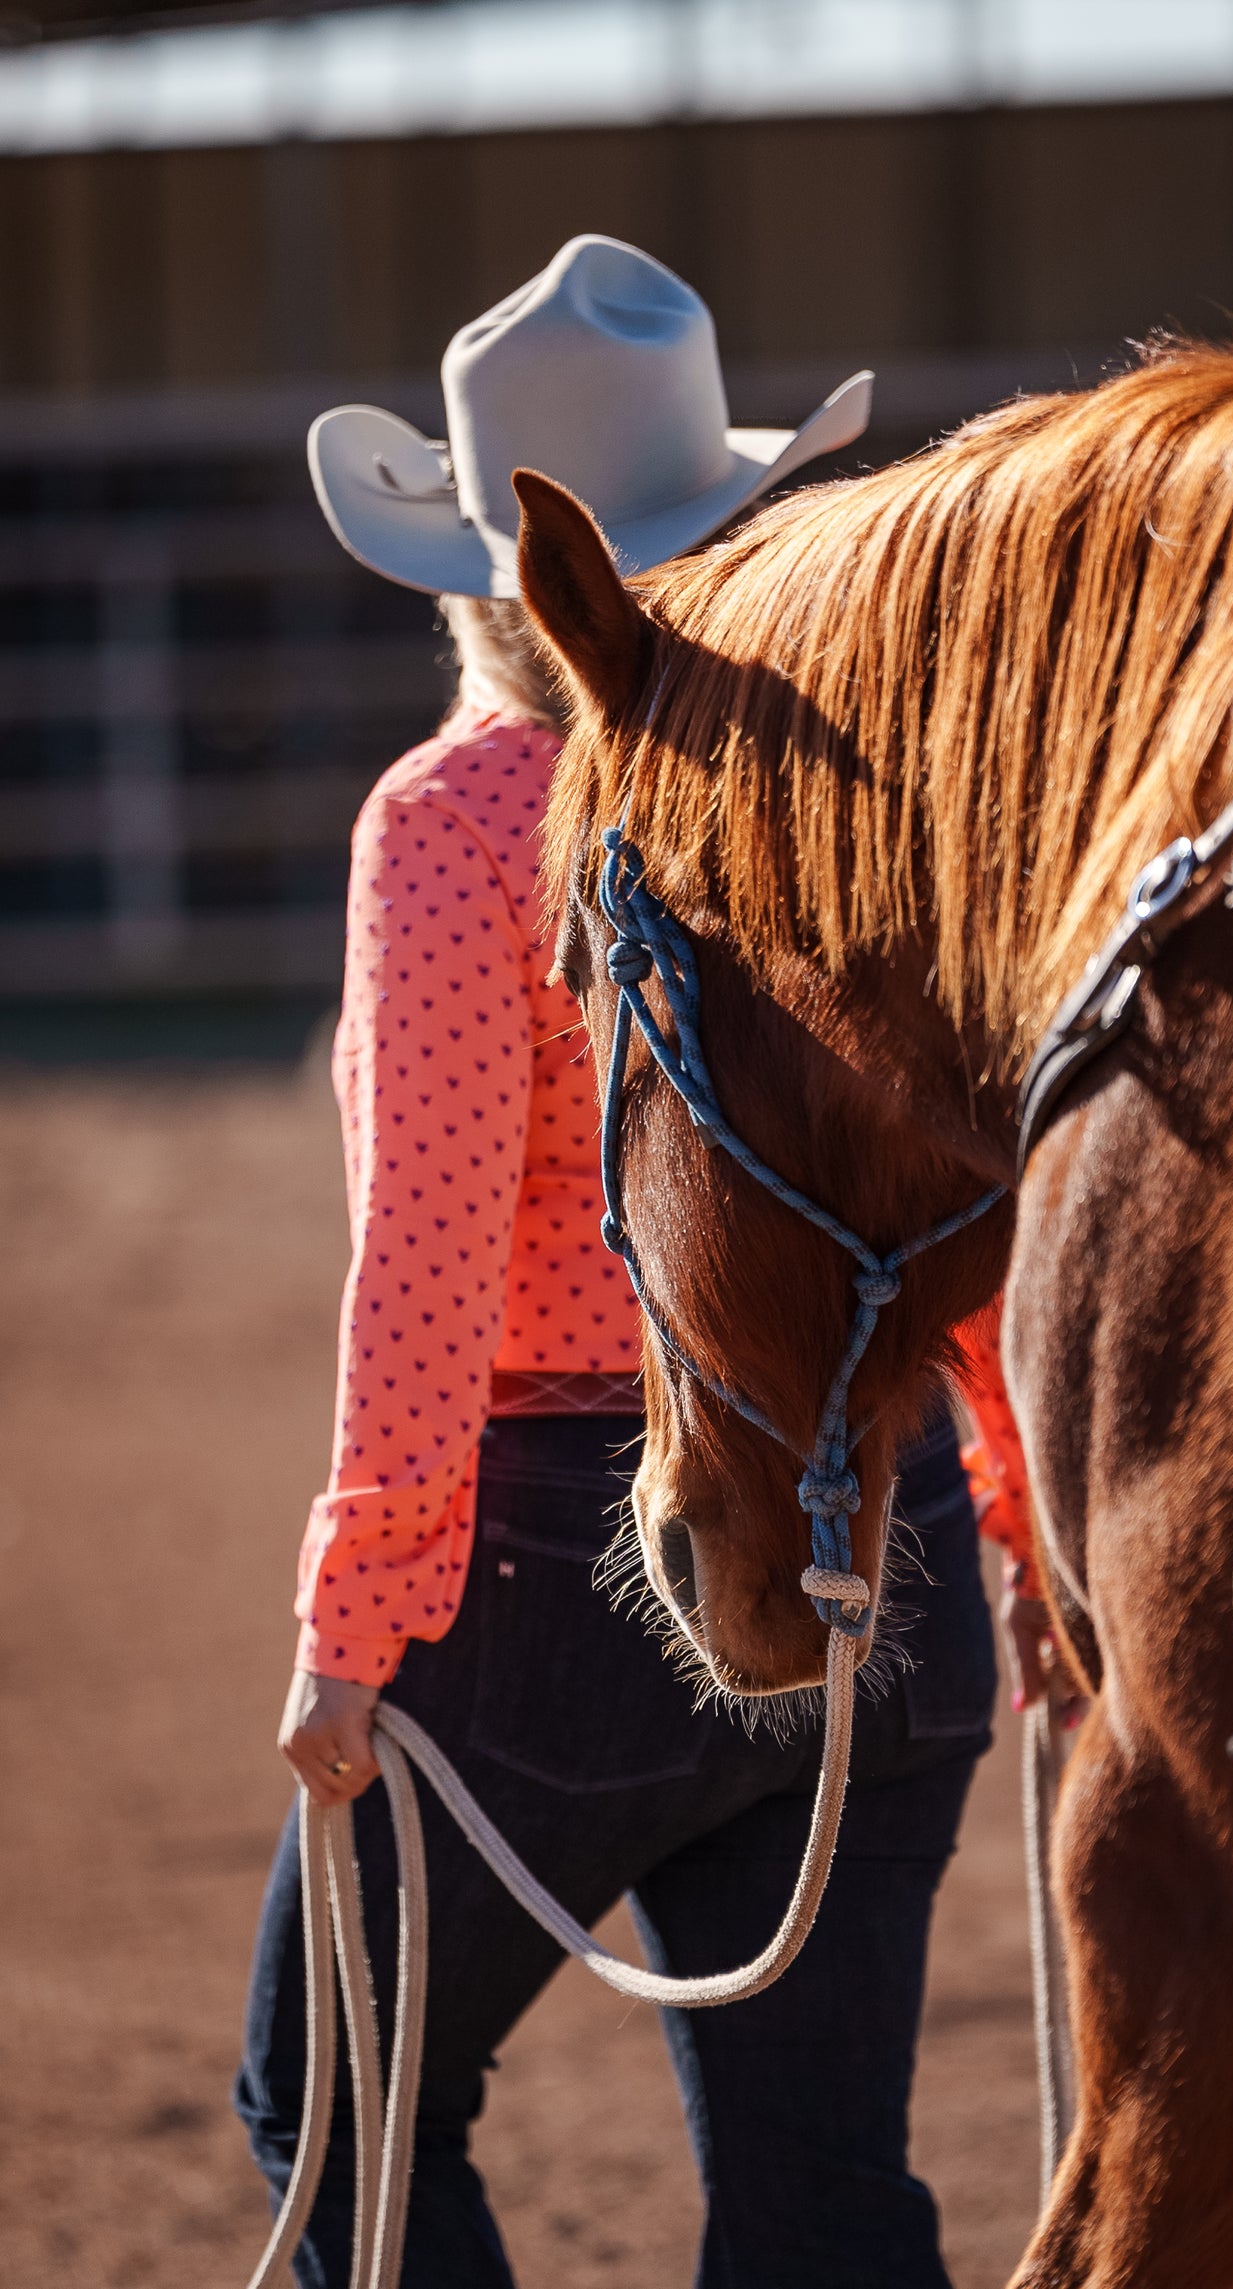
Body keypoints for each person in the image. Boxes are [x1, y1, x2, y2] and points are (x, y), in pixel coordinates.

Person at [235, 235, 998, 2289]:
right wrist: (1002, 1488)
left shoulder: (460, 821)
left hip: (559, 1564)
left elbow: (426, 1241)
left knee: (334, 2099)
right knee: (827, 2185)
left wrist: (361, 1598)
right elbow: (943, 1158)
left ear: (478, 560)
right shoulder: (857, 778)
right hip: (883, 1511)